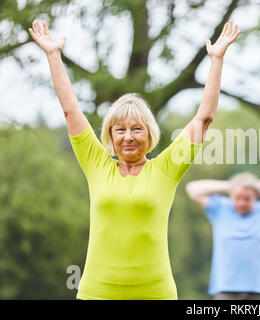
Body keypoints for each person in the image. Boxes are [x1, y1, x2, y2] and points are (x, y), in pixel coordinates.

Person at [28, 19, 240, 299]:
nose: (128, 136)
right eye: (121, 130)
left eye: (137, 129)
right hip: (97, 293)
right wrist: (53, 55)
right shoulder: (96, 164)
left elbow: (205, 118)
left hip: (155, 293)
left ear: (149, 135)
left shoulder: (167, 168)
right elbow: (70, 111)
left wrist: (216, 60)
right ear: (111, 136)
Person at [185, 172, 260, 300]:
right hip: (226, 290)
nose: (242, 203)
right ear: (231, 196)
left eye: (247, 199)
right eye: (238, 198)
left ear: (256, 197)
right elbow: (192, 189)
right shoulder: (220, 209)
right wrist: (233, 186)